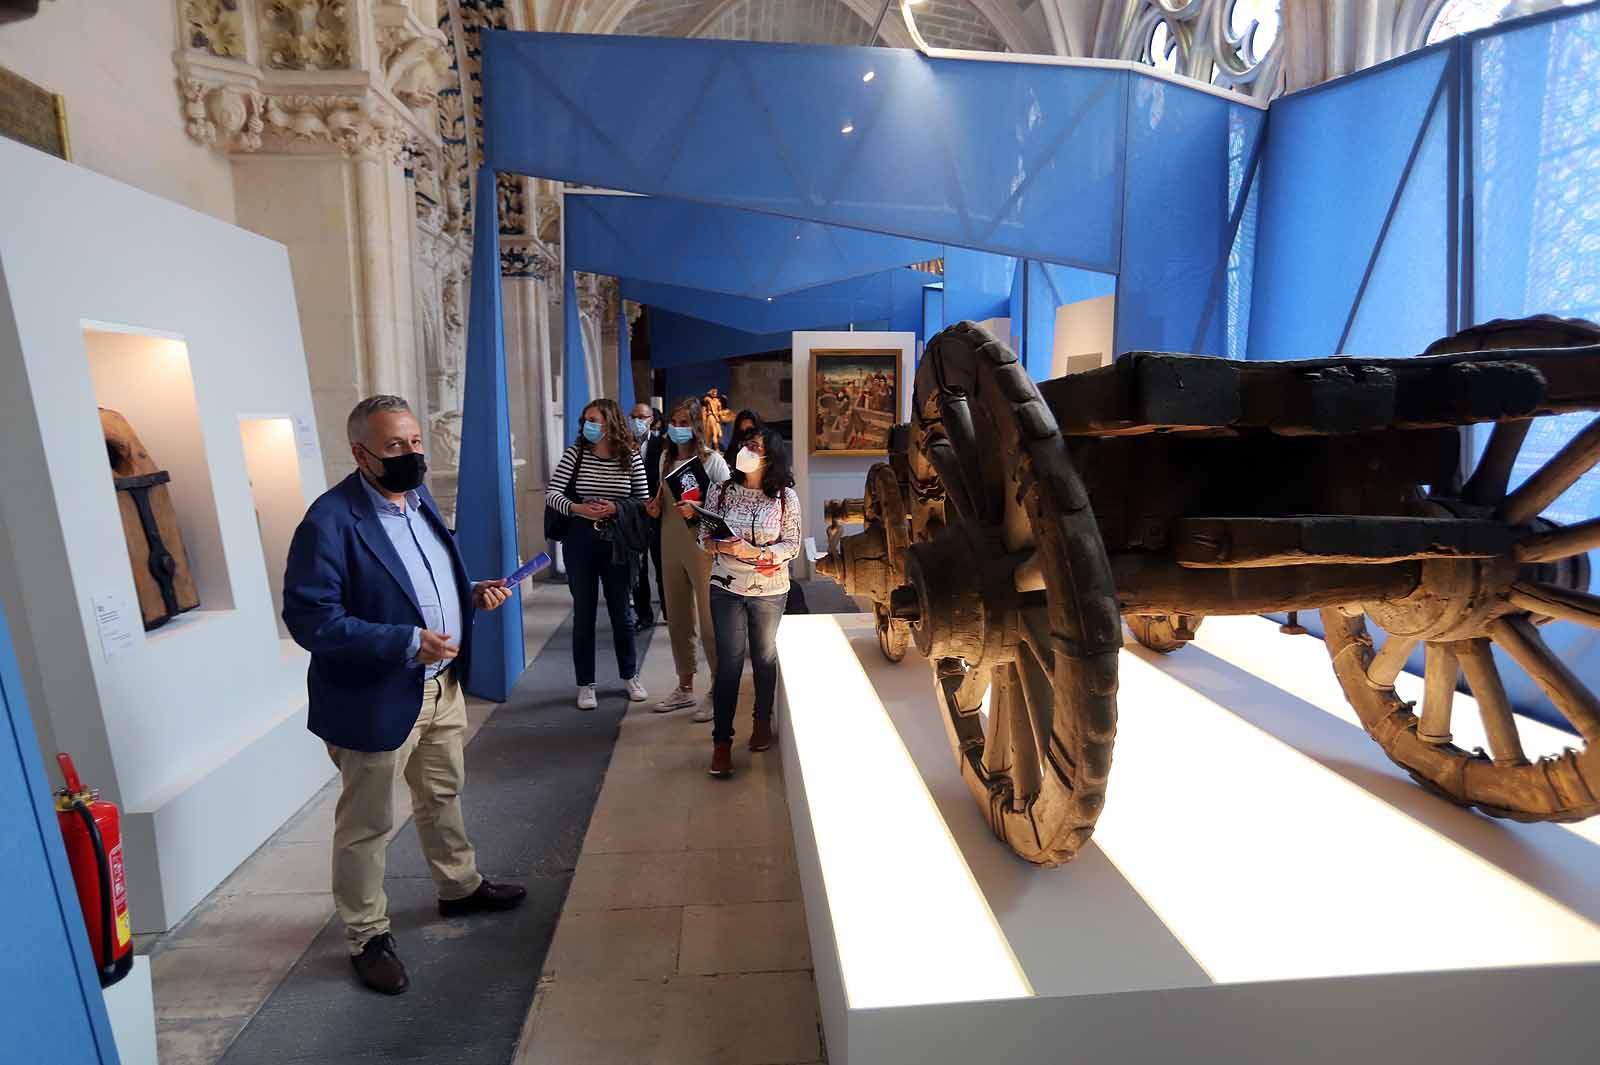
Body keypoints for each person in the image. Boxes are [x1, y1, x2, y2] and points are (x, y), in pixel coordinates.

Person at [282, 394, 525, 997]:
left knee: (443, 793)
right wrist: (402, 642)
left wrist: (469, 593)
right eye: (395, 447)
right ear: (360, 453)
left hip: (440, 688)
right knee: (368, 823)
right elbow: (312, 619)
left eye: (416, 443)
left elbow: (420, 582)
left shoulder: (419, 503)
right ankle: (366, 934)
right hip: (376, 695)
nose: (412, 455)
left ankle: (458, 887)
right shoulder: (329, 521)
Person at [698, 427, 802, 778]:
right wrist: (716, 544)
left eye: (755, 446)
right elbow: (703, 536)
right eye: (745, 445)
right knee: (728, 663)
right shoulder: (721, 490)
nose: (747, 450)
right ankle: (721, 743)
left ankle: (761, 721)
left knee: (764, 656)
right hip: (725, 585)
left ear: (770, 456)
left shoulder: (785, 497)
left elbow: (792, 545)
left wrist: (755, 551)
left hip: (770, 588)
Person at [546, 398, 650, 710]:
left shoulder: (630, 458)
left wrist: (615, 508)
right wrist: (578, 508)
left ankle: (629, 675)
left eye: (594, 419)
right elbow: (553, 494)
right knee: (584, 614)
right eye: (585, 419)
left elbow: (643, 502)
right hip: (579, 541)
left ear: (611, 423)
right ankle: (586, 684)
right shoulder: (575, 454)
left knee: (622, 613)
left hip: (616, 542)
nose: (588, 425)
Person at [646, 397, 730, 718]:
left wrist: (697, 511)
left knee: (709, 621)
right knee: (678, 618)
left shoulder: (714, 463)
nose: (678, 429)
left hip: (703, 547)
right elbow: (660, 498)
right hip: (669, 542)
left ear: (696, 426)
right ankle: (684, 686)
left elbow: (726, 512)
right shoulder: (666, 457)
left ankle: (717, 688)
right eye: (674, 422)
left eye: (685, 423)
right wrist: (654, 508)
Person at [630, 401, 667, 630]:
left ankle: (669, 610)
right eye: (633, 416)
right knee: (638, 568)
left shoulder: (662, 446)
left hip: (658, 514)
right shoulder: (623, 447)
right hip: (633, 516)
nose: (637, 421)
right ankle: (643, 615)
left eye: (642, 416)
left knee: (662, 565)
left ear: (651, 420)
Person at [722, 409, 764, 476]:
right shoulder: (733, 452)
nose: (746, 437)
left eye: (750, 431)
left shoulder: (765, 453)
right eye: (741, 432)